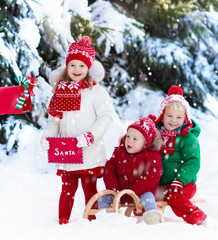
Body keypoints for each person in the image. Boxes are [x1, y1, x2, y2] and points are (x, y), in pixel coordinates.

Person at [40, 36, 115, 225]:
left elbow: (106, 117)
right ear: (67, 67)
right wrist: (47, 137)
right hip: (67, 150)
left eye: (82, 66)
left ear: (89, 68)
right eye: (72, 65)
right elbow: (54, 122)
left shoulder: (96, 91)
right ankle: (62, 222)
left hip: (90, 150)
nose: (76, 70)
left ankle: (93, 221)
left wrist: (89, 137)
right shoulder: (60, 92)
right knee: (67, 188)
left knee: (89, 188)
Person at [154, 85, 207, 225]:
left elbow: (193, 161)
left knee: (174, 196)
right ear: (162, 116)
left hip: (183, 183)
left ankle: (197, 218)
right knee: (145, 194)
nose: (173, 120)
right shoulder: (157, 134)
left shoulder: (187, 138)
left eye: (178, 117)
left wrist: (180, 179)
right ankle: (147, 217)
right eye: (169, 116)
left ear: (185, 119)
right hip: (162, 183)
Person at [98, 115, 164, 225]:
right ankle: (105, 218)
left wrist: (134, 191)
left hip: (141, 192)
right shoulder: (120, 152)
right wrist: (114, 188)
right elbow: (109, 169)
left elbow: (152, 176)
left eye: (135, 139)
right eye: (128, 136)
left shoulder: (152, 157)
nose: (129, 141)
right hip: (120, 191)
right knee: (103, 198)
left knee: (148, 198)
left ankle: (153, 218)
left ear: (146, 143)